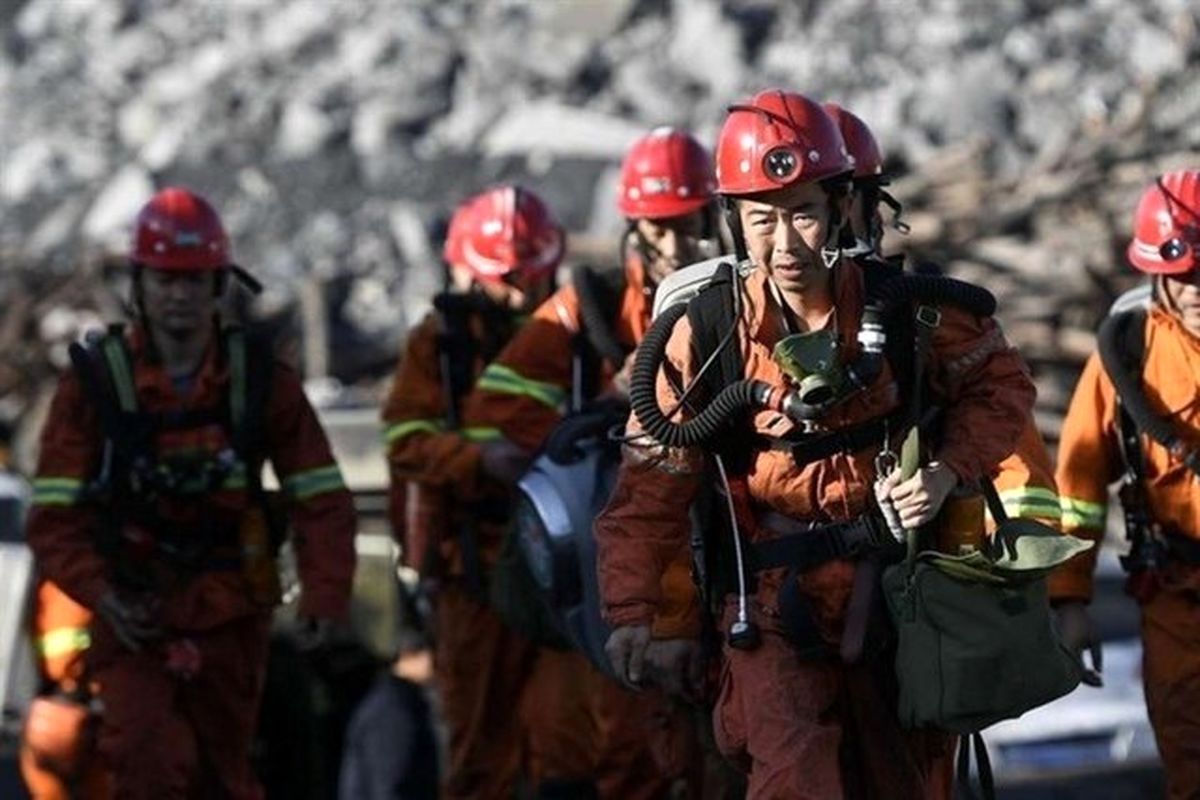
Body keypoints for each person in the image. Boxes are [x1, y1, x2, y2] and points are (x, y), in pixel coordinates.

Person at [595, 90, 1038, 798]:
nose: (787, 242)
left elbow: (1002, 386)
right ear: (735, 222)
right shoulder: (705, 334)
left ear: (837, 209)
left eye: (803, 212)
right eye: (763, 219)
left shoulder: (903, 310)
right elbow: (650, 484)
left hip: (898, 598)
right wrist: (632, 612)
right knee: (795, 780)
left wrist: (949, 472)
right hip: (772, 611)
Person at [25, 186, 357, 799]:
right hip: (134, 615)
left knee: (225, 777)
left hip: (230, 612)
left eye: (193, 280)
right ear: (140, 285)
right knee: (147, 766)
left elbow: (321, 498)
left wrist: (325, 596)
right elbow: (52, 518)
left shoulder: (261, 381)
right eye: (165, 280)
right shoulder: (93, 387)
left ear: (217, 285)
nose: (179, 295)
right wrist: (103, 593)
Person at [462, 128, 722, 798]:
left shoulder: (733, 297)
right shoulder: (590, 307)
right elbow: (496, 405)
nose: (675, 247)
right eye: (659, 230)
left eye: (688, 227)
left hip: (724, 555)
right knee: (623, 739)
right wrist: (605, 411)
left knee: (728, 744)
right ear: (634, 228)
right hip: (622, 545)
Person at [381, 185, 585, 799]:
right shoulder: (439, 345)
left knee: (571, 744)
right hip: (476, 571)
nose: (522, 292)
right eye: (507, 278)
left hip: (571, 567)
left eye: (533, 275)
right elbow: (404, 438)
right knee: (480, 751)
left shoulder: (578, 330)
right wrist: (477, 461)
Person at [1050, 169, 1200, 799]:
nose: (1197, 291)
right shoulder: (1129, 353)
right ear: (1155, 274)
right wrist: (1069, 599)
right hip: (1176, 598)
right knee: (1189, 758)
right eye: (1184, 276)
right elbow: (1080, 480)